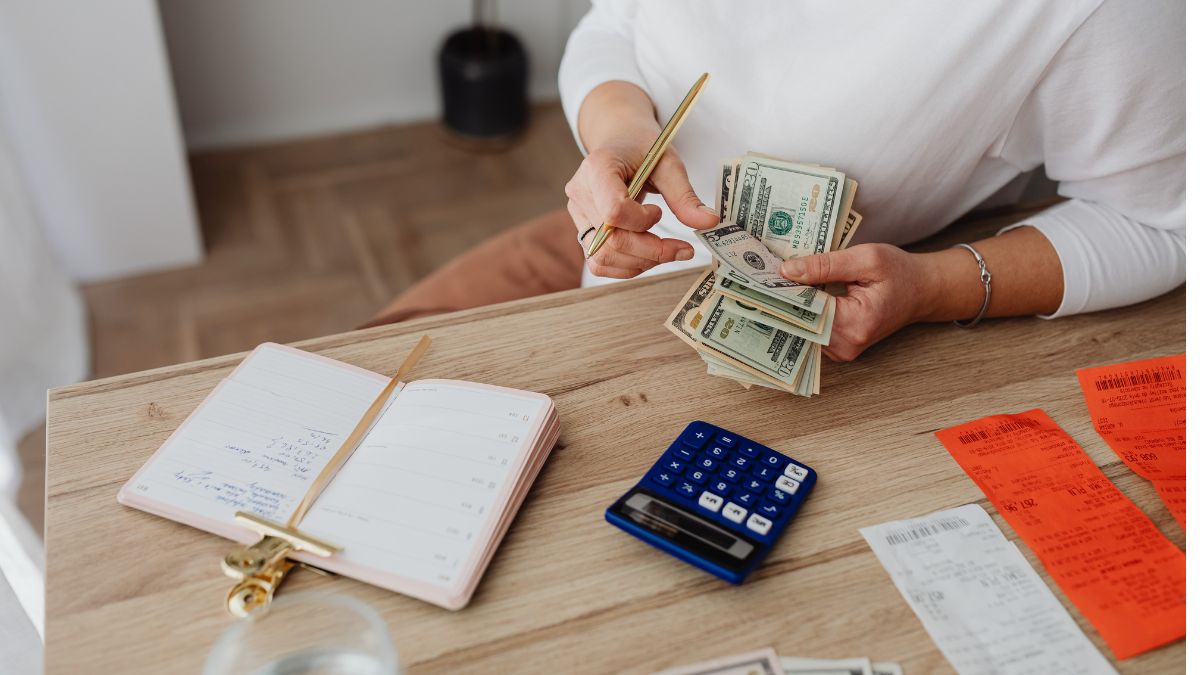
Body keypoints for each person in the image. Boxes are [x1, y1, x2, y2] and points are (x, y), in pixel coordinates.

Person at [370, 0, 1184, 362]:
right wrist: (619, 137)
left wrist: (934, 286)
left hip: (819, 354)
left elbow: (1164, 224)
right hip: (612, 264)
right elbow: (617, 22)